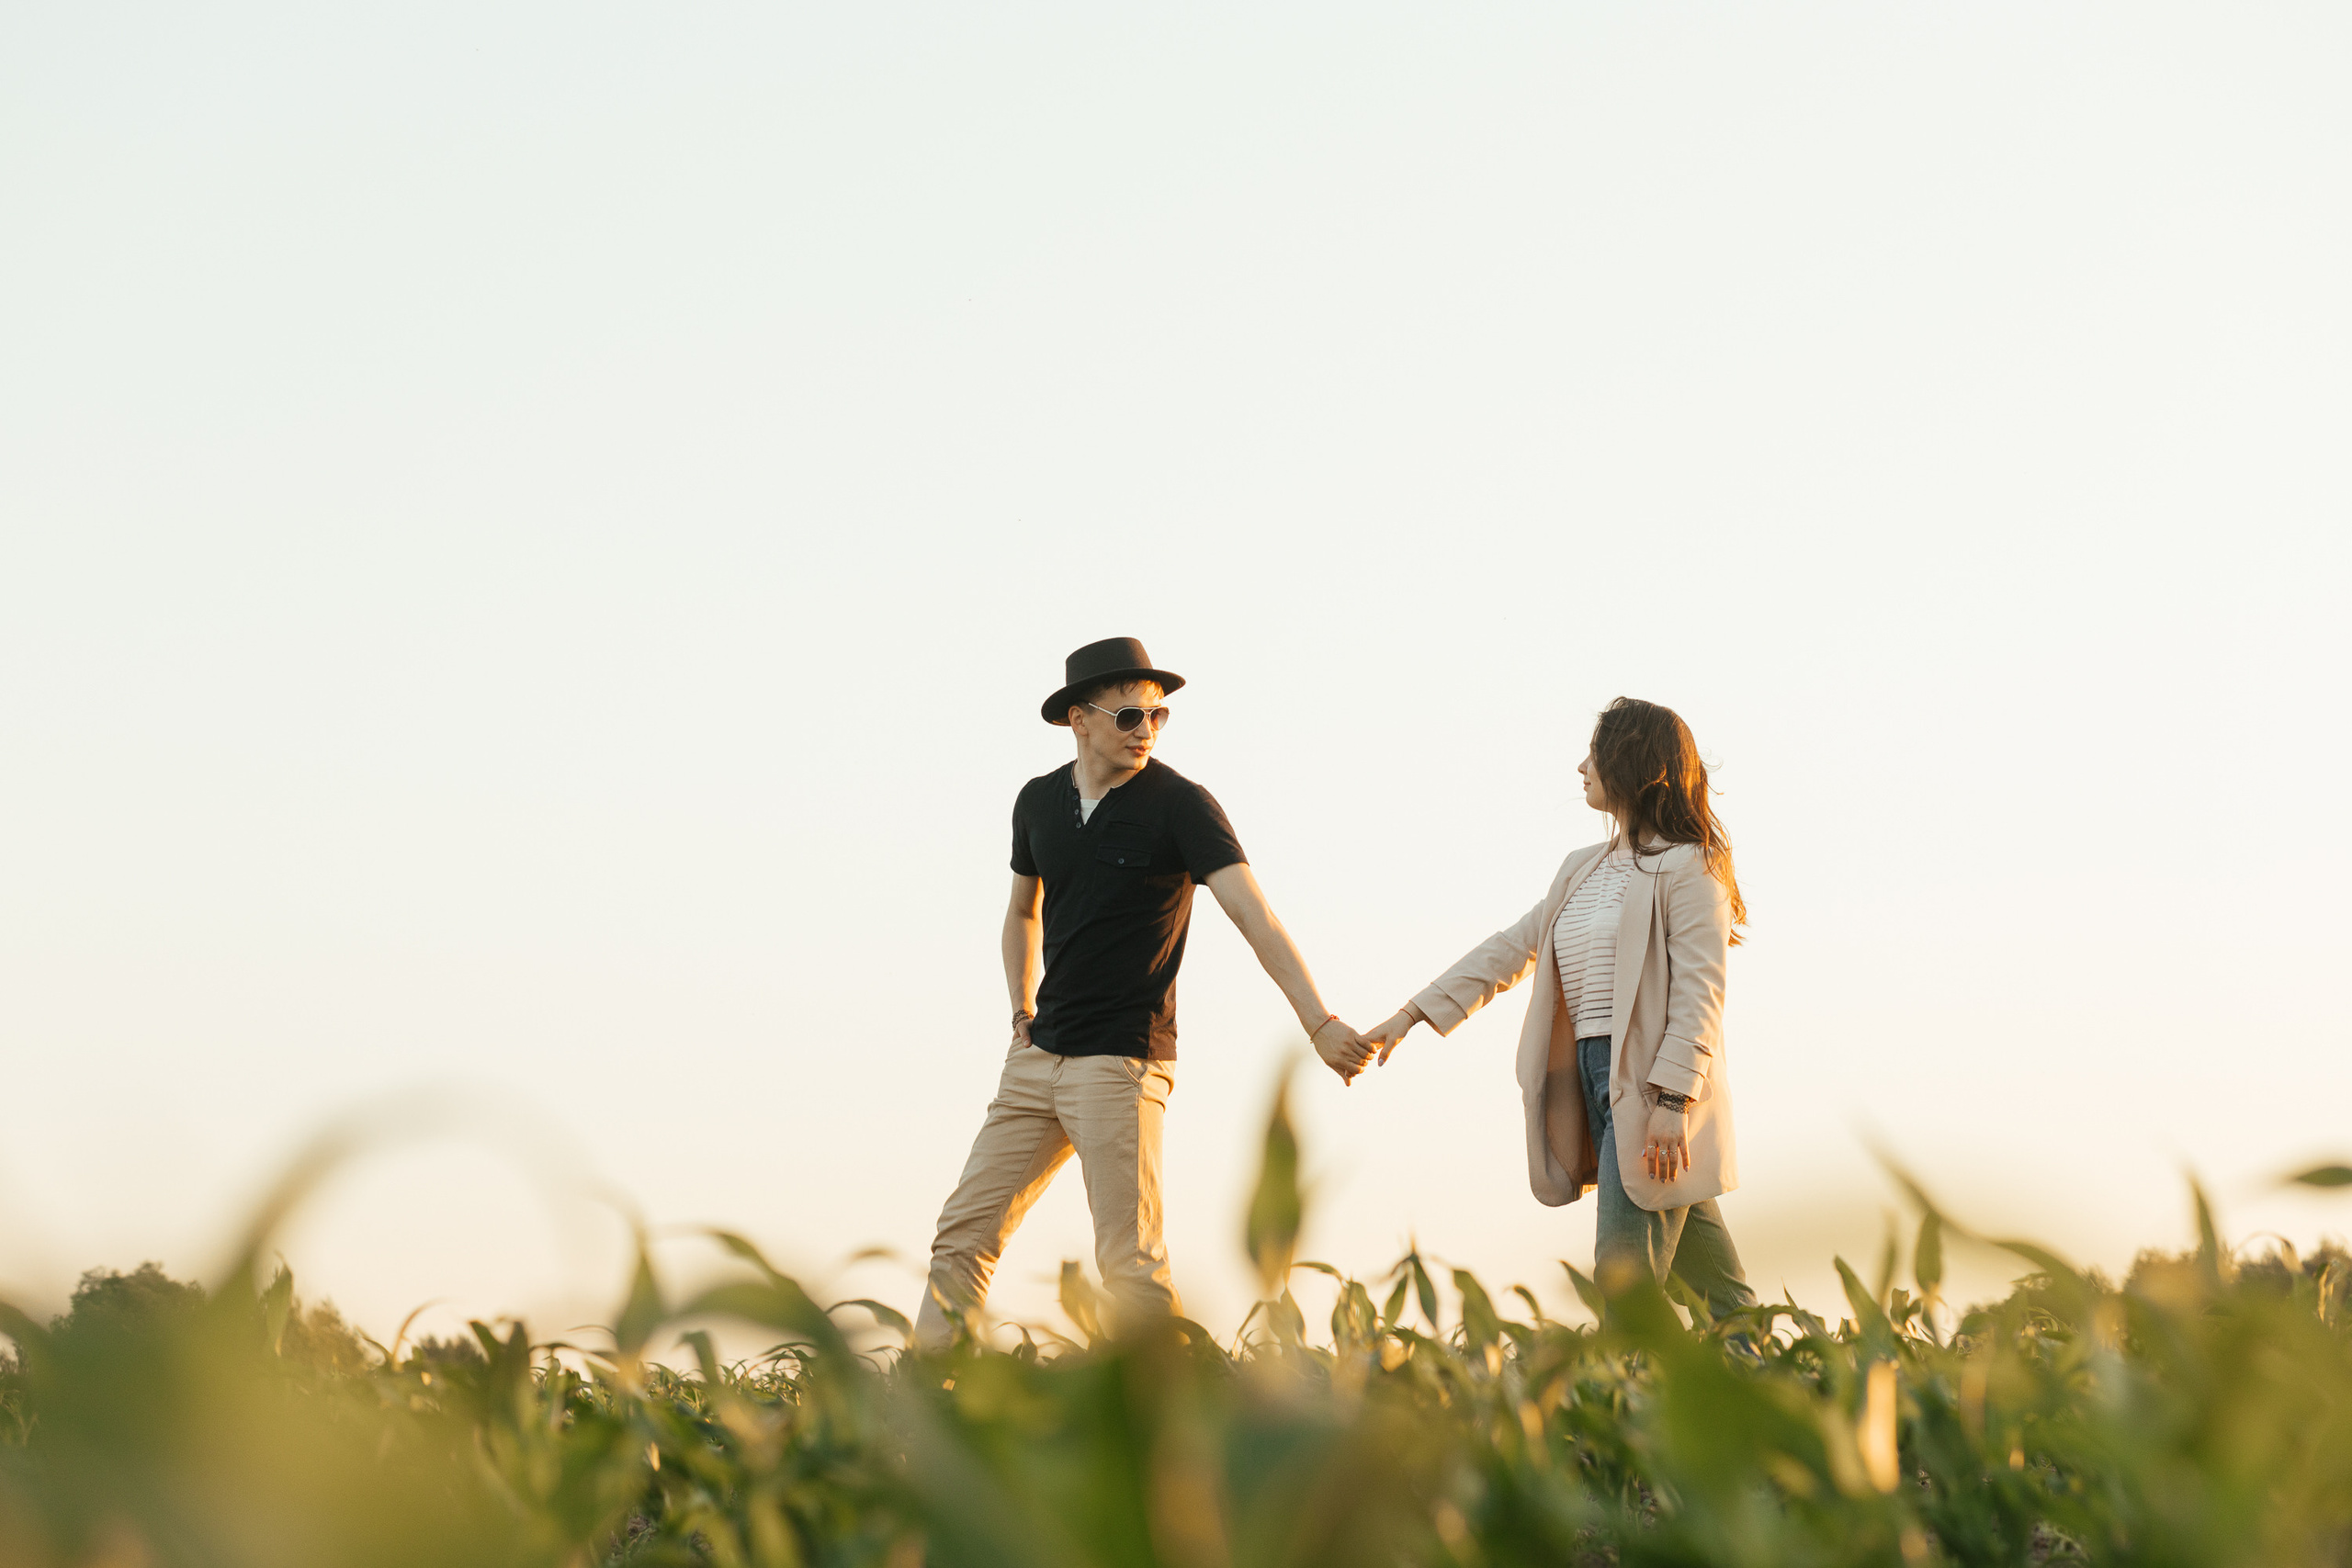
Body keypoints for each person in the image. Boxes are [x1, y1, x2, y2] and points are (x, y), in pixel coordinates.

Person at [913, 637, 1374, 1349]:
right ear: (1080, 719)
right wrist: (1019, 1009)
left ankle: (1172, 1433)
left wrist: (1319, 1023)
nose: (1147, 732)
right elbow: (1021, 910)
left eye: (1159, 718)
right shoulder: (1038, 801)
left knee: (1130, 1264)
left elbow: (1256, 916)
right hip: (1039, 1059)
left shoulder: (1181, 805)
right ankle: (924, 1410)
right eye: (1131, 717)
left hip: (1123, 1063)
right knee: (962, 1234)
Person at [1363, 697, 1758, 1320]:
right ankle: (1766, 1382)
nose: (1581, 766)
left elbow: (1700, 992)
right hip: (1589, 1079)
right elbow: (1509, 950)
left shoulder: (1689, 867)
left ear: (1633, 762)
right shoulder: (1580, 869)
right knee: (1726, 1300)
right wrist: (1411, 1014)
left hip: (1650, 1088)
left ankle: (1644, 1405)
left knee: (1624, 1285)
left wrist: (1673, 1100)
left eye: (1594, 753)